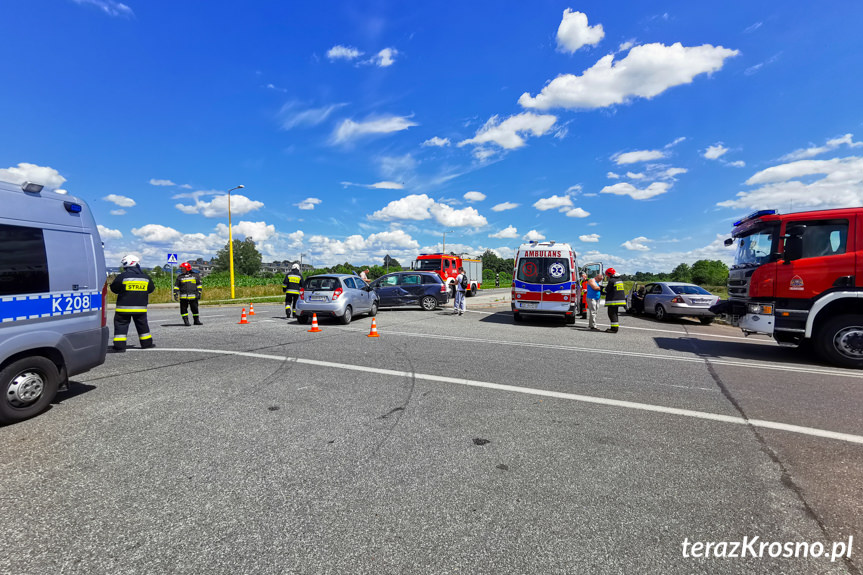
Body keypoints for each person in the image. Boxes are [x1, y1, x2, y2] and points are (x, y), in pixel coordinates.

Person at [110, 254, 155, 351]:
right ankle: (146, 344)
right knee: (142, 326)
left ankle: (119, 346)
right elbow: (151, 289)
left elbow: (114, 288)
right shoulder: (145, 277)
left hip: (123, 308)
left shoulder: (122, 277)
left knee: (121, 326)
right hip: (140, 308)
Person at [173, 262, 203, 326]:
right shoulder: (180, 277)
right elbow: (176, 286)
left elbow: (199, 285)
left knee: (195, 309)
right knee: (183, 309)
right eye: (181, 269)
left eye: (183, 269)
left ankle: (196, 321)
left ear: (187, 269)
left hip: (193, 296)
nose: (182, 270)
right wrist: (175, 293)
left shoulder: (195, 276)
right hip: (183, 297)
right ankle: (186, 321)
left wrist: (199, 293)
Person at [603, 267, 626, 333]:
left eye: (607, 275)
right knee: (615, 314)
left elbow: (607, 290)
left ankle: (614, 329)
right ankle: (614, 328)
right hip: (620, 300)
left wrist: (602, 289)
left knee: (611, 314)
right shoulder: (619, 280)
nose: (607, 277)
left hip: (614, 300)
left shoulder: (611, 280)